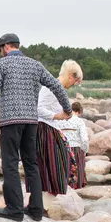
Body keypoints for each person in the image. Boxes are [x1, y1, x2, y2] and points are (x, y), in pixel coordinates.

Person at [0, 34, 73, 222]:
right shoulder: (35, 65)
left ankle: (14, 209)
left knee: (10, 163)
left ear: (6, 47)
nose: (0, 54)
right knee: (31, 164)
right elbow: (56, 85)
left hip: (11, 121)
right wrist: (67, 109)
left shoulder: (1, 65)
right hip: (31, 122)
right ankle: (36, 209)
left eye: (0, 50)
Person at [36, 60, 84, 196]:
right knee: (53, 167)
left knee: (61, 164)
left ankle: (52, 198)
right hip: (44, 130)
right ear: (70, 76)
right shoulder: (50, 87)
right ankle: (46, 200)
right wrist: (57, 116)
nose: (74, 84)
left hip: (52, 129)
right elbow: (38, 108)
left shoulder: (58, 88)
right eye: (75, 81)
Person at [60, 101, 90, 189]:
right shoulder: (79, 121)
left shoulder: (61, 120)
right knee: (77, 170)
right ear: (79, 112)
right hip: (76, 149)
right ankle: (76, 188)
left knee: (64, 170)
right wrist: (85, 150)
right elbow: (84, 139)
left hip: (63, 149)